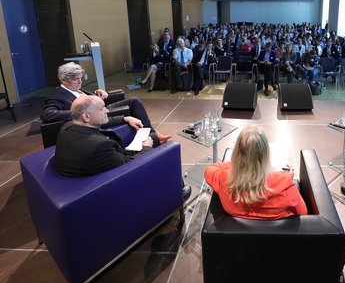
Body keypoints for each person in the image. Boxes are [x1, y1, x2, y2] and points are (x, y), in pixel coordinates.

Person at [53, 96, 192, 198]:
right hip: (113, 182)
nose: (107, 110)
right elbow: (130, 167)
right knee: (166, 153)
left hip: (99, 165)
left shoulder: (68, 126)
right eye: (102, 108)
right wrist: (146, 148)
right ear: (86, 116)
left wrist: (124, 118)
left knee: (153, 137)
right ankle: (177, 192)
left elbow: (101, 123)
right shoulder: (99, 147)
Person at [41, 62, 171, 143]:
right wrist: (78, 112)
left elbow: (87, 98)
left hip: (101, 109)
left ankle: (151, 132)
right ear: (64, 80)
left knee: (134, 101)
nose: (80, 82)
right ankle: (152, 135)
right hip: (93, 117)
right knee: (133, 103)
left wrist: (96, 93)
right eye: (76, 79)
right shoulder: (57, 95)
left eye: (80, 78)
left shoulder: (76, 88)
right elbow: (47, 115)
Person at [204, 125, 307, 220]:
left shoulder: (223, 177)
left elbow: (210, 168)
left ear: (237, 153)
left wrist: (239, 164)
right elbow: (302, 212)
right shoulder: (284, 182)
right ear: (265, 155)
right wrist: (288, 178)